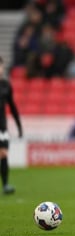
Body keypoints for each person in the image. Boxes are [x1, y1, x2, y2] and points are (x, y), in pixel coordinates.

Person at [0, 56, 23, 194]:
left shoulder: (6, 85)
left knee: (3, 153)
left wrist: (19, 126)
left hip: (2, 126)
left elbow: (13, 107)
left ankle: (5, 185)